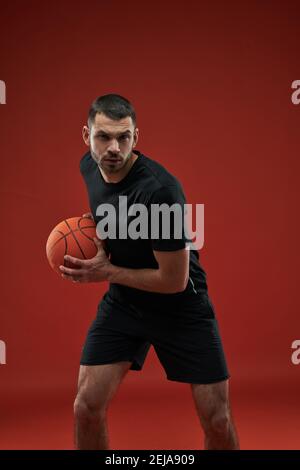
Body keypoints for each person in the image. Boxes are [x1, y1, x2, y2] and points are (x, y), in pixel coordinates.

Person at [59, 94, 239, 450]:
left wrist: (106, 271)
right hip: (125, 303)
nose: (113, 148)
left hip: (181, 307)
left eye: (123, 137)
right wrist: (96, 242)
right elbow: (109, 212)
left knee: (217, 419)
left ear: (135, 138)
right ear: (86, 136)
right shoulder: (88, 167)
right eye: (103, 137)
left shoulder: (161, 192)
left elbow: (173, 280)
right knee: (86, 407)